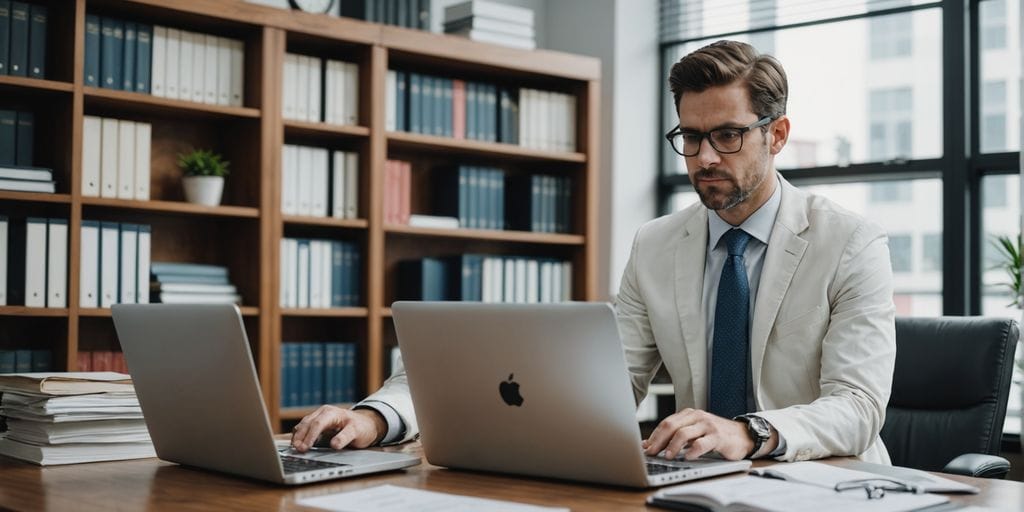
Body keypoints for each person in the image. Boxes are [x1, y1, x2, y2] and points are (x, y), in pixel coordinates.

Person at [292, 40, 896, 465]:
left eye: (728, 135)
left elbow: (858, 407)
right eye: (690, 136)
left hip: (826, 482)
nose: (705, 157)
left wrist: (748, 432)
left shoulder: (849, 242)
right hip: (703, 484)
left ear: (777, 135)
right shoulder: (657, 245)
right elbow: (590, 382)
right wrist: (380, 417)